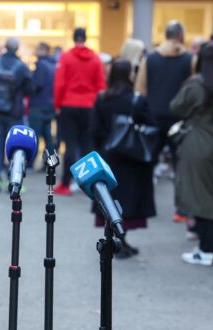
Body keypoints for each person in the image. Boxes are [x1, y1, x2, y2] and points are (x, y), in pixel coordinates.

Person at [169, 43, 213, 266]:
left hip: (199, 143)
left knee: (201, 196)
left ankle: (205, 250)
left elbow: (176, 107)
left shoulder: (196, 84)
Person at [90, 60, 156, 258]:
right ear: (129, 75)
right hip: (132, 159)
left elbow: (94, 130)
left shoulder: (102, 98)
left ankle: (115, 241)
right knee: (128, 202)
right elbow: (152, 126)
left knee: (110, 200)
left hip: (108, 159)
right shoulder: (136, 100)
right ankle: (121, 241)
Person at [135, 20, 193, 223]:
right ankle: (182, 210)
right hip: (180, 119)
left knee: (146, 163)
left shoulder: (150, 59)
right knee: (181, 165)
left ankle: (142, 206)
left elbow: (140, 89)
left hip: (153, 117)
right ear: (180, 36)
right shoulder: (189, 59)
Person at [53, 28, 106, 195]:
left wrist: (57, 104)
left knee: (70, 145)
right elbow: (101, 85)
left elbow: (60, 83)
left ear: (73, 38)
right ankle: (90, 183)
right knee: (87, 146)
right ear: (86, 38)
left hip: (69, 104)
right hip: (89, 105)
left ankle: (65, 184)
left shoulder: (66, 57)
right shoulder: (96, 59)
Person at [0, 37, 32, 192]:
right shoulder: (22, 67)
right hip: (14, 112)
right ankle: (14, 180)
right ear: (17, 49)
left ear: (5, 47)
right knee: (16, 146)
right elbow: (30, 90)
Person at [29, 42, 56, 166]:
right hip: (49, 104)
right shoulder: (53, 65)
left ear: (44, 50)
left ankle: (30, 162)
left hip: (38, 104)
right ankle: (50, 163)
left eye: (38, 49)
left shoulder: (41, 65)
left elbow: (37, 85)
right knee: (47, 136)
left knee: (34, 136)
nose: (36, 51)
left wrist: (29, 88)